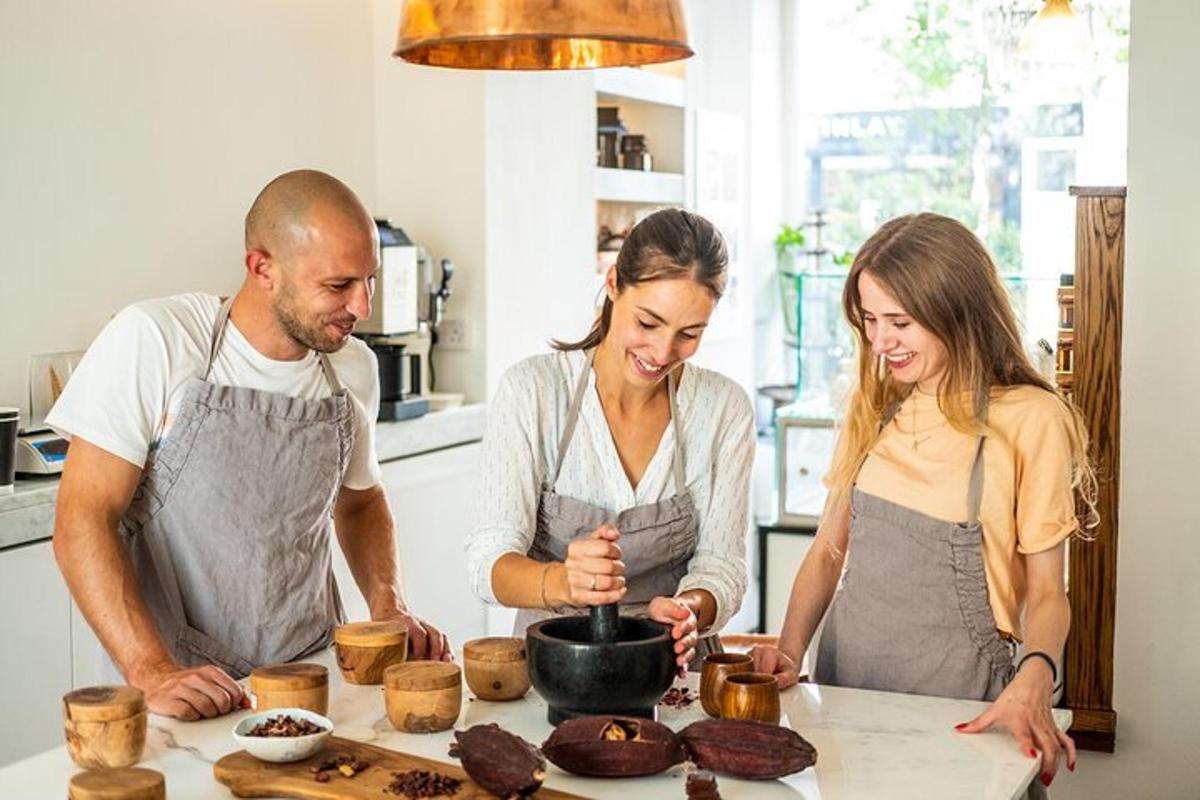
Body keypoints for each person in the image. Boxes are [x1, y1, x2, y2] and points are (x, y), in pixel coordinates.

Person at [49, 169, 449, 721]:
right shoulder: (158, 340)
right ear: (262, 267)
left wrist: (389, 605)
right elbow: (82, 520)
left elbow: (359, 501)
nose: (362, 307)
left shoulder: (352, 367)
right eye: (338, 286)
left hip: (308, 679)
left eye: (370, 280)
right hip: (178, 688)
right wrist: (151, 671)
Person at [750, 213, 1096, 792]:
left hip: (961, 711)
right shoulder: (875, 404)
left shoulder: (1030, 420)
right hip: (847, 697)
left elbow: (1046, 591)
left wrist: (1036, 673)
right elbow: (828, 553)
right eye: (869, 321)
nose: (880, 342)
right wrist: (788, 651)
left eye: (900, 322)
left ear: (956, 312)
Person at [466, 209, 755, 673]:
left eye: (689, 334)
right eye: (648, 323)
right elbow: (487, 563)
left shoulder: (723, 408)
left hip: (674, 673)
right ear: (614, 282)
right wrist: (564, 581)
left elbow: (724, 565)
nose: (662, 353)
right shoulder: (534, 391)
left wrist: (690, 609)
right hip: (554, 669)